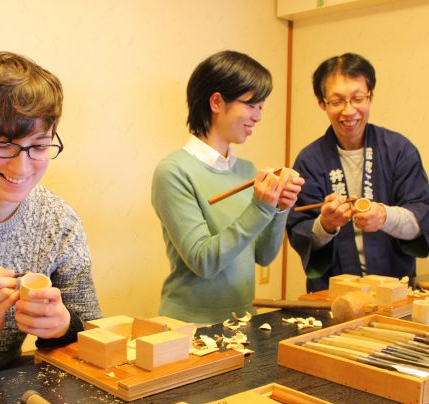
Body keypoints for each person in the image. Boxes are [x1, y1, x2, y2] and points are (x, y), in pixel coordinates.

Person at [152, 50, 304, 323]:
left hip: (244, 322)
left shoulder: (246, 170)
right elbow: (204, 261)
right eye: (251, 105)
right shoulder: (173, 171)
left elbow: (263, 256)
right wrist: (260, 206)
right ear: (217, 102)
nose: (257, 117)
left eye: (261, 107)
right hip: (189, 327)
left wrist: (280, 208)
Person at [0, 51, 102, 373]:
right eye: (2, 143)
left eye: (38, 146)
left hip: (5, 399)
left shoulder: (58, 222)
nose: (21, 167)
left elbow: (94, 335)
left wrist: (63, 327)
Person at [287, 52, 429, 292]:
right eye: (337, 101)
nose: (349, 110)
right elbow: (300, 231)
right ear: (322, 103)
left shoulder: (399, 150)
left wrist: (384, 216)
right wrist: (325, 225)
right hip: (331, 296)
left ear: (370, 96)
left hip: (395, 293)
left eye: (358, 98)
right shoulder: (309, 160)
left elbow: (422, 218)